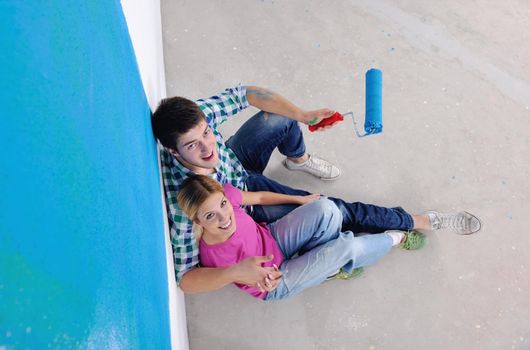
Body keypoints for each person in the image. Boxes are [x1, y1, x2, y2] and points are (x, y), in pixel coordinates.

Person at [151, 84, 482, 294]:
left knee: (278, 119)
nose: (208, 147)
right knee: (336, 209)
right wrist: (235, 271)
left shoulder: (196, 117)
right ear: (173, 152)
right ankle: (420, 221)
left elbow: (246, 94)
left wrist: (303, 114)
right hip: (243, 202)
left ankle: (299, 158)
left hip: (238, 172)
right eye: (194, 145)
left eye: (208, 133)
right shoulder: (185, 199)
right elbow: (186, 278)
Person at [177, 175, 427, 300]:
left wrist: (300, 200)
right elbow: (188, 283)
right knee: (347, 246)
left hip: (273, 238)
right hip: (274, 280)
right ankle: (396, 240)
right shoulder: (211, 254)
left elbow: (261, 198)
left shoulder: (229, 196)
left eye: (223, 205)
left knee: (326, 208)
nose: (225, 218)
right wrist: (240, 274)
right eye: (211, 216)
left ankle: (328, 267)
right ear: (198, 221)